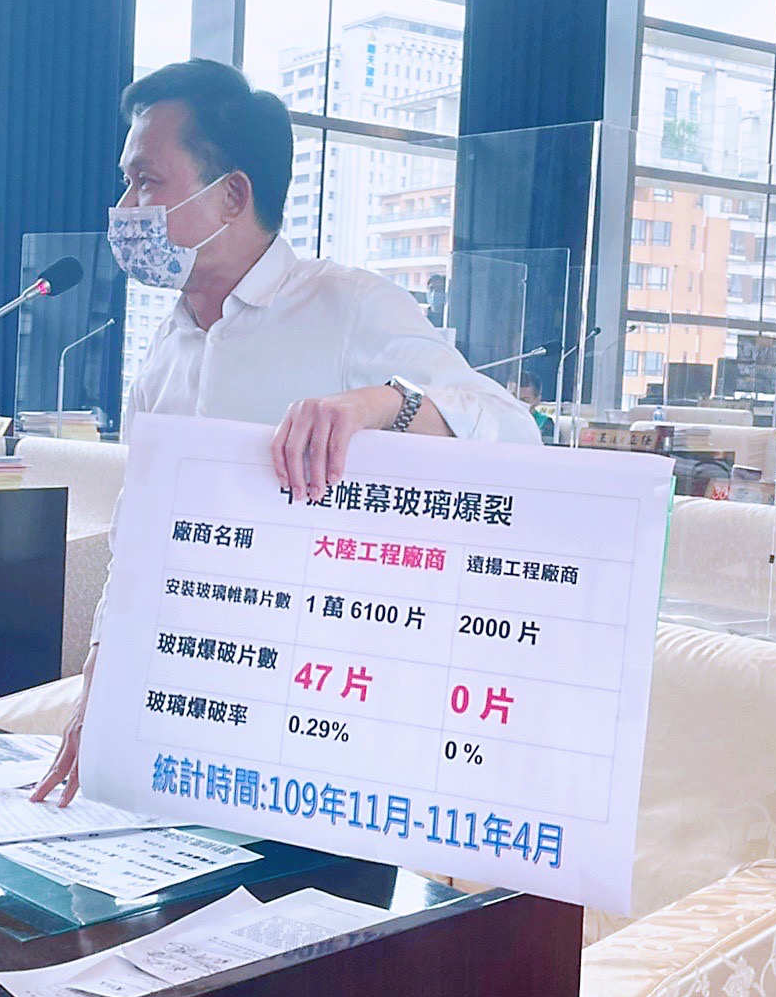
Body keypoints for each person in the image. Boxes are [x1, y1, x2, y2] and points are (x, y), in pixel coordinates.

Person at [32, 60, 538, 805]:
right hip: (187, 708)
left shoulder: (347, 306)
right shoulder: (167, 348)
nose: (126, 208)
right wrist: (98, 684)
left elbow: (514, 433)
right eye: (127, 183)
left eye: (147, 182)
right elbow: (139, 542)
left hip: (322, 722)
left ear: (232, 195)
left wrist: (380, 405)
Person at [512, 371, 555, 442]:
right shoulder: (497, 419)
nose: (517, 403)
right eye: (512, 398)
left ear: (537, 400)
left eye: (524, 400)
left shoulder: (545, 425)